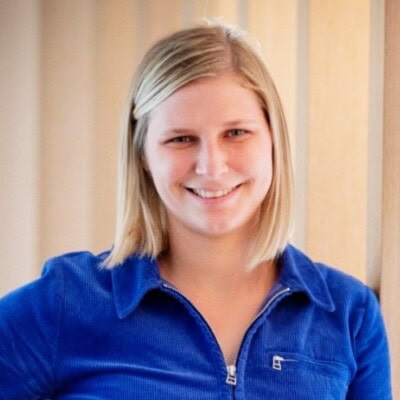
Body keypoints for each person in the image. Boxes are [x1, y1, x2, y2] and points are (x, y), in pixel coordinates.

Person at [0, 22, 392, 399]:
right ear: (143, 157)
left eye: (236, 133)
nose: (212, 166)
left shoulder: (348, 313)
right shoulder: (70, 301)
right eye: (181, 138)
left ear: (273, 140)